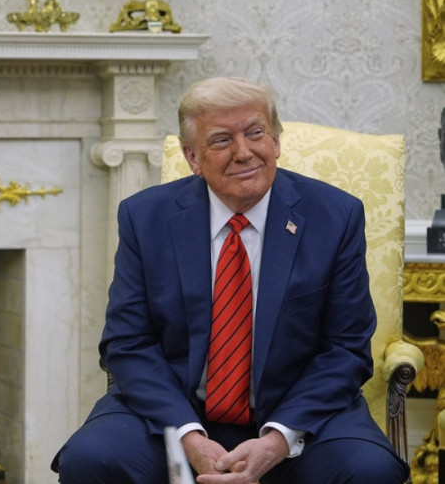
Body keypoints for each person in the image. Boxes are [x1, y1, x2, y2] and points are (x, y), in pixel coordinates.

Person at [52, 77, 408, 484]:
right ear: (192, 157)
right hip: (174, 413)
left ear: (276, 141)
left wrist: (277, 439)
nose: (243, 152)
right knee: (90, 459)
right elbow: (127, 342)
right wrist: (188, 436)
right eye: (221, 140)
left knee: (370, 471)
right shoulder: (145, 218)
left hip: (300, 417)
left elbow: (346, 348)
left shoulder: (335, 216)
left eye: (256, 133)